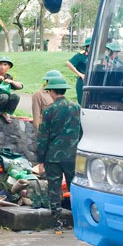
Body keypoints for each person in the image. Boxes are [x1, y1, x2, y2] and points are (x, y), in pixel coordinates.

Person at [36, 76, 82, 216]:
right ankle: (78, 216)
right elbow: (82, 131)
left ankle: (57, 218)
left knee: (54, 188)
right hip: (73, 156)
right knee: (74, 187)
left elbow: (43, 137)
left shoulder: (49, 110)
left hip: (53, 156)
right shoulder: (76, 107)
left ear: (52, 92)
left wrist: (40, 159)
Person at [0, 56, 23, 124]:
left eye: (5, 65)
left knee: (16, 96)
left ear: (9, 67)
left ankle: (4, 112)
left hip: (2, 99)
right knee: (4, 96)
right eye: (0, 64)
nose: (2, 67)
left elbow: (20, 86)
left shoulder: (8, 76)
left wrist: (11, 81)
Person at [66, 38, 92, 104]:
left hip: (93, 81)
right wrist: (79, 74)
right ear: (87, 47)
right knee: (82, 101)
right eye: (90, 46)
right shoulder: (80, 56)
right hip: (83, 81)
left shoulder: (96, 56)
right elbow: (68, 63)